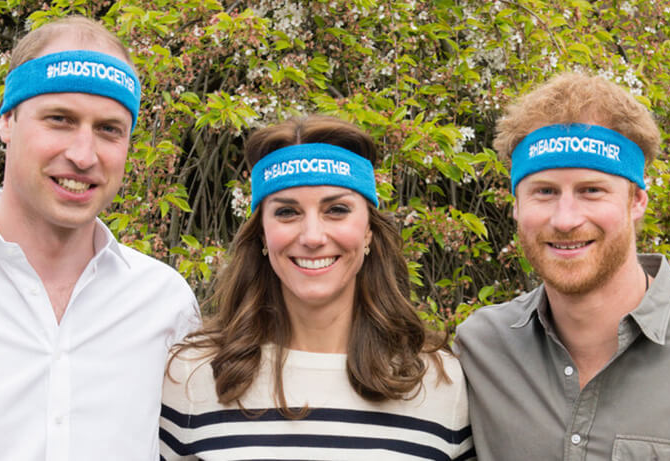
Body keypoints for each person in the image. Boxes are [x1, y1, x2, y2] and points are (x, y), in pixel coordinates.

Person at [0, 16, 201, 460]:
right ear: (7, 121)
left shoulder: (165, 304)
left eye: (109, 129)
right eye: (60, 119)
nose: (83, 155)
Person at [454, 73, 670, 460]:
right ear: (516, 206)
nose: (566, 219)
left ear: (636, 201)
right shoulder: (479, 349)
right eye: (545, 192)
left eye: (591, 190)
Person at [160, 115, 474, 460]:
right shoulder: (192, 376)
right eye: (287, 212)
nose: (312, 237)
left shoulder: (439, 382)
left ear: (368, 230)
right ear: (262, 233)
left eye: (336, 210)